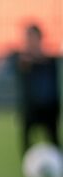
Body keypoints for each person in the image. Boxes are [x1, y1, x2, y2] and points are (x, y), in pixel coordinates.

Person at [10, 24, 60, 154]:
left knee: (54, 142)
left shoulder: (49, 61)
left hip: (49, 107)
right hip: (29, 108)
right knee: (26, 144)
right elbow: (21, 63)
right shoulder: (22, 60)